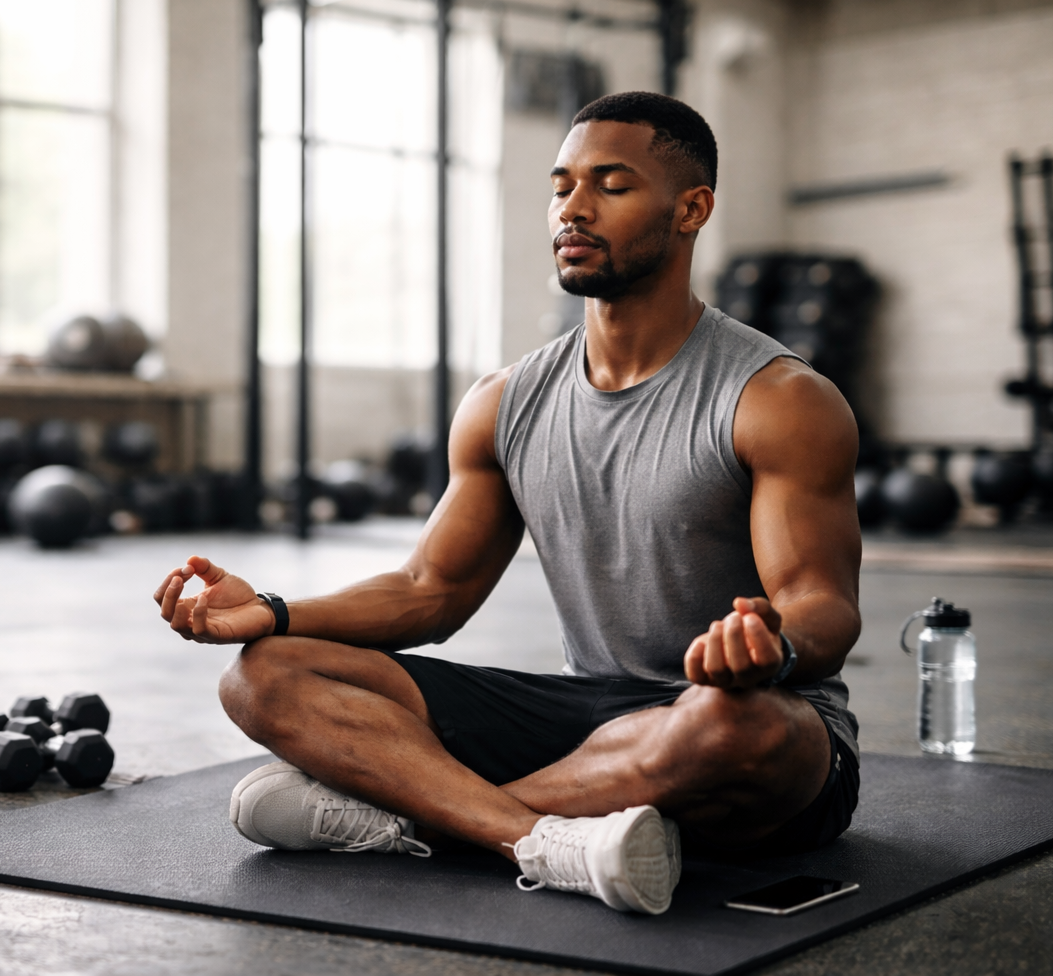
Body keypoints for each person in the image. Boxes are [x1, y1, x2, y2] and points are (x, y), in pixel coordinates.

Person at [152, 91, 861, 916]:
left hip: (739, 727)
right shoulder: (504, 400)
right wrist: (274, 612)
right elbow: (430, 591)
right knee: (264, 676)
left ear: (690, 209)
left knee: (736, 729)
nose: (573, 209)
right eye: (561, 187)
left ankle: (417, 819)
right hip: (587, 715)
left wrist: (772, 647)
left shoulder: (778, 399)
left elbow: (824, 606)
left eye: (611, 185)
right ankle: (540, 839)